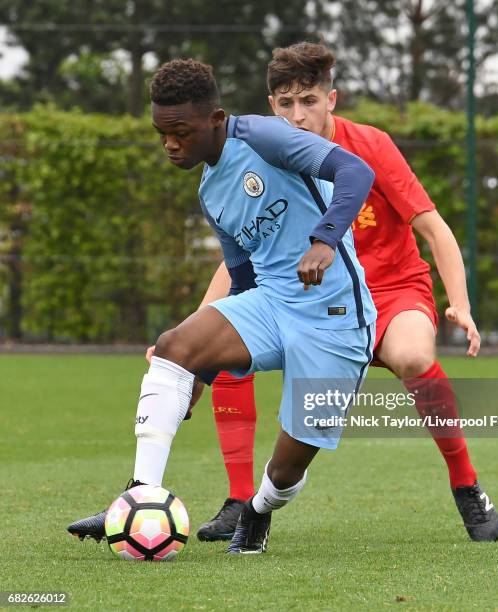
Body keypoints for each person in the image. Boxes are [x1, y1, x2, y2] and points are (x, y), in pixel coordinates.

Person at [172, 42, 498, 543]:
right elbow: (240, 259)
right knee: (228, 357)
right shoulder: (264, 150)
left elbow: (433, 228)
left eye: (308, 101)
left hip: (390, 294)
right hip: (306, 303)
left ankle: (466, 484)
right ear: (270, 106)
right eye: (286, 104)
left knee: (413, 356)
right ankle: (241, 502)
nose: (297, 116)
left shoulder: (369, 146)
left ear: (332, 101)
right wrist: (195, 354)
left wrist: (460, 302)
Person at [67, 57, 377, 554]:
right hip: (273, 302)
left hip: (334, 319)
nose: (170, 144)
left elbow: (355, 171)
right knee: (173, 348)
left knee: (285, 470)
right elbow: (243, 279)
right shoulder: (211, 191)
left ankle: (257, 512)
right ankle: (137, 496)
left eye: (180, 132)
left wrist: (323, 240)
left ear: (215, 120)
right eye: (161, 133)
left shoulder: (264, 137)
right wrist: (199, 375)